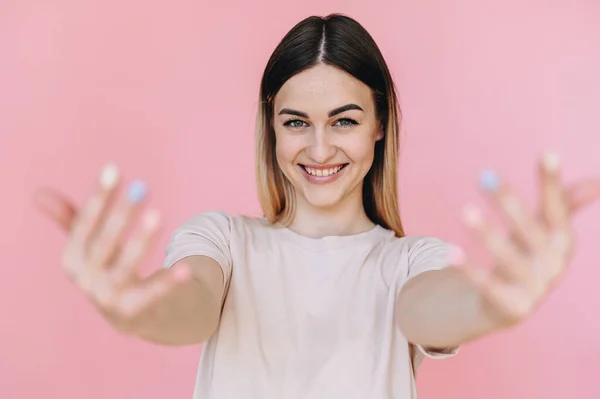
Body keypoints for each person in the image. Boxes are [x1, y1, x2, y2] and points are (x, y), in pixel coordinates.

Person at [34, 13, 600, 399]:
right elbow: (190, 305)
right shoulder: (223, 242)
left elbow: (429, 309)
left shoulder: (408, 262)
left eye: (345, 120)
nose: (321, 148)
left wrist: (491, 307)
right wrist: (137, 309)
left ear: (380, 124)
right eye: (297, 122)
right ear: (272, 128)